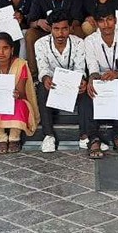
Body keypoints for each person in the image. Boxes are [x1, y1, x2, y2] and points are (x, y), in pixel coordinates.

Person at [84, 5, 118, 157]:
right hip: (100, 77)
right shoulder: (90, 40)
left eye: (110, 20)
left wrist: (117, 73)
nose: (106, 25)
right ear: (96, 23)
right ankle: (93, 138)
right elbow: (92, 67)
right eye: (101, 21)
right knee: (89, 87)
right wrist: (92, 79)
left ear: (116, 20)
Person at [34, 10, 88, 153]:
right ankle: (48, 135)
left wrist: (80, 80)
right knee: (41, 87)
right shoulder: (40, 44)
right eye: (56, 29)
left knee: (85, 87)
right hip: (53, 85)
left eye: (64, 29)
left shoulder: (79, 43)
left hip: (72, 84)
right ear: (50, 28)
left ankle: (84, 135)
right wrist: (46, 78)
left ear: (70, 28)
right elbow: (43, 68)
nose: (60, 34)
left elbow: (80, 68)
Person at [0, 33, 39, 154]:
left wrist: (15, 94)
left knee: (20, 103)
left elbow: (21, 93)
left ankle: (14, 138)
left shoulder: (21, 64)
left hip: (14, 99)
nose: (1, 52)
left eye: (5, 48)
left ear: (12, 49)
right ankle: (1, 138)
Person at [26, 0, 85, 77]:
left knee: (79, 31)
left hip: (68, 30)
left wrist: (67, 27)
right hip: (46, 31)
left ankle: (80, 72)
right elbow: (30, 21)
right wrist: (38, 22)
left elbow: (77, 18)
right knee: (30, 34)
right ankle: (34, 74)